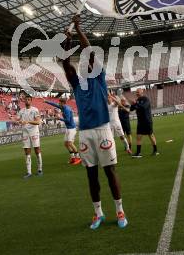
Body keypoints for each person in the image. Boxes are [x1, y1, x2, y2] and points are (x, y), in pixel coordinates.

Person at [62, 15, 128, 230]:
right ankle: (98, 213)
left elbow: (89, 51)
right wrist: (67, 41)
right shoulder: (75, 83)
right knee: (91, 175)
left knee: (110, 171)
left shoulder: (99, 77)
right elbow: (65, 62)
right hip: (85, 134)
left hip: (102, 130)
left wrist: (79, 30)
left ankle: (119, 210)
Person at [45, 97, 81, 165]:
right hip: (68, 128)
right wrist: (46, 101)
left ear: (63, 103)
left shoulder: (66, 109)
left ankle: (78, 158)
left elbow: (68, 120)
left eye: (59, 102)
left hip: (71, 128)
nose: (58, 103)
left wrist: (59, 118)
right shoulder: (63, 107)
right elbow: (54, 104)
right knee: (66, 144)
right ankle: (73, 158)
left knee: (70, 143)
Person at [17, 95, 43, 178]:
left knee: (37, 151)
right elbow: (17, 119)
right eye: (26, 99)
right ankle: (29, 172)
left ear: (31, 101)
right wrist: (19, 121)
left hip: (34, 132)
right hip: (25, 133)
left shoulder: (35, 110)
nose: (27, 101)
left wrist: (27, 121)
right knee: (27, 152)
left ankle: (40, 169)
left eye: (29, 99)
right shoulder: (21, 111)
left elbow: (38, 122)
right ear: (24, 101)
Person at [130, 88, 158, 158]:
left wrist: (136, 103)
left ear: (142, 92)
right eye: (136, 92)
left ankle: (155, 151)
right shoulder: (137, 100)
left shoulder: (146, 99)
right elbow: (131, 109)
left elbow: (144, 107)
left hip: (147, 121)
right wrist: (133, 104)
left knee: (151, 136)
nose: (137, 93)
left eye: (138, 92)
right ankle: (138, 153)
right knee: (138, 137)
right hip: (140, 122)